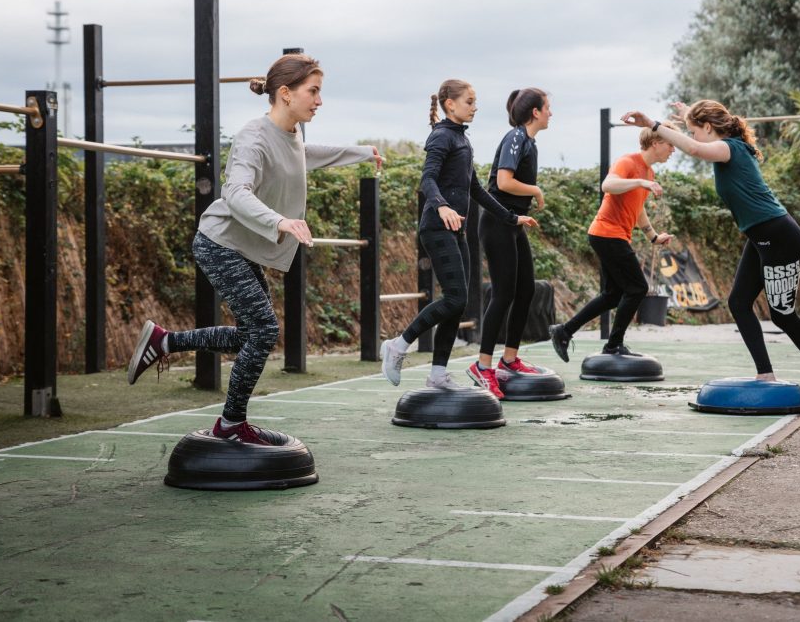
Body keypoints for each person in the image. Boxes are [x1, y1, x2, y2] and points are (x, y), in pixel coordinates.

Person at [127, 54, 383, 444]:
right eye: (312, 91)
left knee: (253, 332)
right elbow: (234, 193)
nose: (319, 100)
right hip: (220, 243)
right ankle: (231, 425)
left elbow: (304, 157)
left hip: (241, 248)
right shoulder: (253, 136)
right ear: (285, 93)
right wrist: (279, 221)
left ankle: (166, 342)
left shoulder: (293, 133)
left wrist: (360, 152)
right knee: (263, 330)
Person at [620, 100, 800, 396]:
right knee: (739, 303)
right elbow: (700, 140)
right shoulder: (726, 145)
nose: (693, 137)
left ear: (709, 127)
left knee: (781, 314)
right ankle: (765, 375)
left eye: (695, 130)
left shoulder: (729, 147)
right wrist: (686, 115)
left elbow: (696, 149)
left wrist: (653, 125)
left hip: (780, 236)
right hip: (760, 236)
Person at [380, 79, 538, 394]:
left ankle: (438, 374)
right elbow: (427, 180)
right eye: (469, 101)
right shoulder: (440, 137)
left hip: (457, 229)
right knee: (455, 298)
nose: (474, 106)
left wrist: (510, 217)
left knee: (458, 303)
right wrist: (441, 208)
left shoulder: (463, 141)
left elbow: (476, 190)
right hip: (437, 227)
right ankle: (398, 345)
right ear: (450, 104)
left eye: (475, 101)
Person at [549, 125, 675, 361]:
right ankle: (613, 345)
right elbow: (607, 185)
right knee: (637, 288)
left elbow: (637, 210)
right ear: (656, 142)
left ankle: (564, 331)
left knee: (612, 295)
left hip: (612, 235)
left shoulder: (649, 174)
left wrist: (654, 236)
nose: (673, 149)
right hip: (607, 233)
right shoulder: (628, 162)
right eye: (670, 144)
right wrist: (640, 182)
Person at [467, 88, 551, 398]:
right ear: (535, 113)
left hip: (515, 223)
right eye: (548, 108)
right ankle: (483, 366)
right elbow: (503, 182)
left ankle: (510, 359)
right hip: (497, 222)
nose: (551, 113)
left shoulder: (529, 141)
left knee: (526, 289)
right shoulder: (515, 137)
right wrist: (537, 191)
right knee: (502, 294)